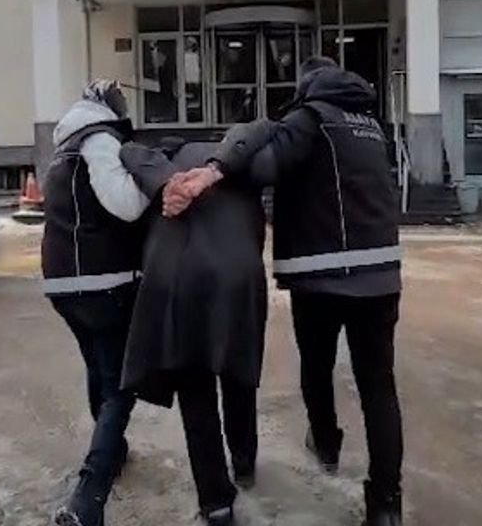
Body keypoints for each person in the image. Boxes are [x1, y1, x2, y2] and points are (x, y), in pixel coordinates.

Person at [169, 57, 404, 526]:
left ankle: (327, 443)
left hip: (320, 273)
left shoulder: (309, 117)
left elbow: (261, 167)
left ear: (307, 87)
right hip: (381, 273)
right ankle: (386, 505)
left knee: (317, 367)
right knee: (378, 385)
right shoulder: (370, 125)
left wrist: (222, 158)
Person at [115, 125, 276, 526]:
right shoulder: (240, 162)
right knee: (239, 374)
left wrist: (165, 182)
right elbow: (265, 127)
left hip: (175, 280)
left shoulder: (164, 161)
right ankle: (244, 462)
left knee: (194, 389)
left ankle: (216, 502)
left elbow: (129, 151)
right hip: (236, 276)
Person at [41, 79, 151, 526]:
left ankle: (113, 451)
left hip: (64, 283)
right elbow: (125, 205)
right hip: (102, 281)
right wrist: (151, 182)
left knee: (98, 368)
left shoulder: (64, 146)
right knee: (119, 387)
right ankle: (88, 499)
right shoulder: (99, 140)